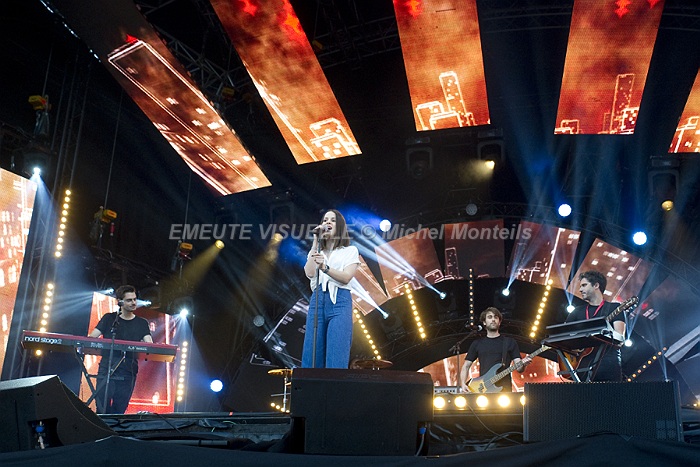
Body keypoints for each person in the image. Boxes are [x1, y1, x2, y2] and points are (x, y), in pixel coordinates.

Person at [302, 209, 360, 368]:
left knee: (336, 356)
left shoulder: (350, 251)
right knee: (312, 355)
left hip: (339, 301)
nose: (327, 222)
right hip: (317, 301)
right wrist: (315, 242)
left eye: (332, 220)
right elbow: (309, 273)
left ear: (339, 226)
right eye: (325, 220)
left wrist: (325, 267)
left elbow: (346, 277)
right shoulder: (316, 251)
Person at [89, 285, 152, 414]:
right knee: (101, 408)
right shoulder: (109, 319)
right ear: (120, 302)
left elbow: (150, 344)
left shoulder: (142, 323)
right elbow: (91, 338)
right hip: (106, 368)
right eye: (129, 300)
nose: (133, 303)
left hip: (128, 370)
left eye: (134, 299)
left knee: (119, 410)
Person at [564, 270, 625, 382]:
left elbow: (619, 340)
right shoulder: (577, 312)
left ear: (596, 285)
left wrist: (605, 331)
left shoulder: (614, 308)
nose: (580, 289)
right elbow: (563, 337)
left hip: (608, 366)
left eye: (584, 285)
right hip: (582, 366)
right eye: (580, 286)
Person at [459, 307, 531, 393]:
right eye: (490, 317)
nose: (493, 319)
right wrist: (463, 383)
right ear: (484, 322)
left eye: (496, 317)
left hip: (505, 391)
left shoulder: (509, 342)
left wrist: (524, 364)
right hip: (484, 389)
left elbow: (519, 368)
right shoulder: (477, 344)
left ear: (499, 322)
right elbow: (466, 366)